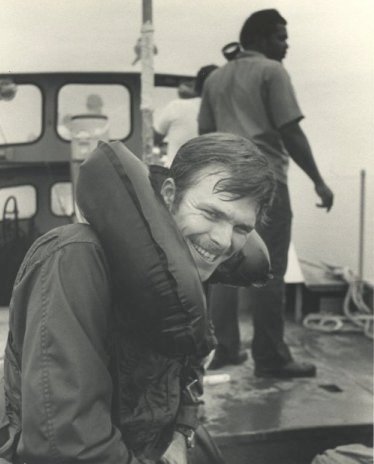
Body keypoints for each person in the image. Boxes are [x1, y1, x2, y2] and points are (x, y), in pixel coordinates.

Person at [1, 133, 275, 463]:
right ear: (170, 195)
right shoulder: (75, 258)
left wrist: (180, 434)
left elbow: (189, 365)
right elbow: (68, 444)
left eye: (241, 228)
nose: (222, 240)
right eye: (211, 213)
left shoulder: (191, 265)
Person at [199, 9, 334, 378]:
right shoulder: (272, 72)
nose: (286, 44)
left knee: (224, 264)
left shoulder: (215, 79)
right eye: (280, 37)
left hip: (226, 184)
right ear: (258, 39)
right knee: (269, 269)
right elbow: (290, 132)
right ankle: (271, 357)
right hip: (265, 182)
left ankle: (224, 348)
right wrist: (319, 181)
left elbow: (206, 134)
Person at [154, 64, 218, 167]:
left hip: (175, 173)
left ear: (197, 85)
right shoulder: (227, 112)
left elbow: (153, 138)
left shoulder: (176, 106)